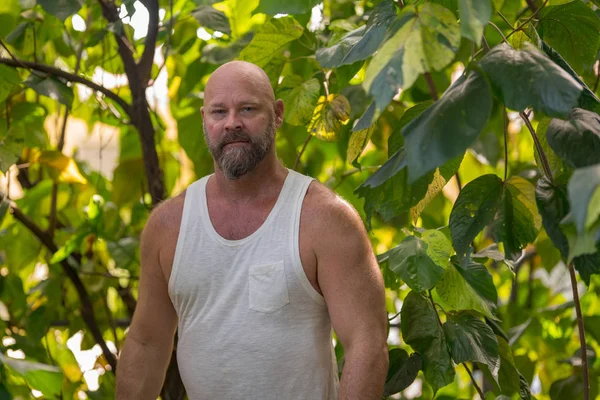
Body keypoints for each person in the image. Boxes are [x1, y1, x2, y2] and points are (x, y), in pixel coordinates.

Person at [115, 61, 388, 400]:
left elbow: (367, 342)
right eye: (219, 112)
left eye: (247, 109)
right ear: (204, 120)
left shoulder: (324, 219)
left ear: (277, 114)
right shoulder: (169, 225)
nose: (232, 123)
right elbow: (146, 343)